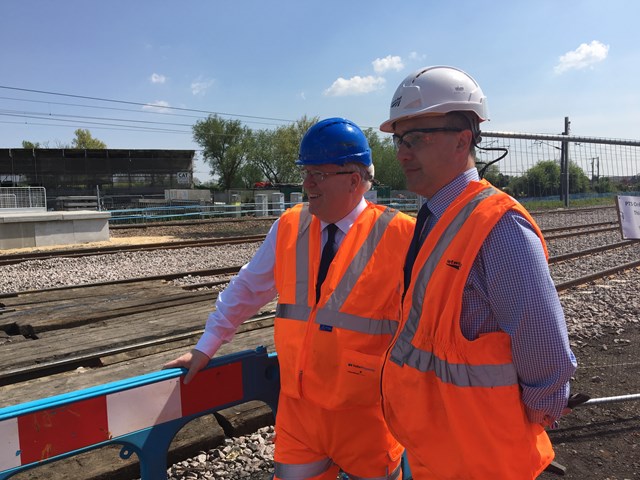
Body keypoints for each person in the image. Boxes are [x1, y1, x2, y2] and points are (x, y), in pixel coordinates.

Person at [165, 118, 415, 480]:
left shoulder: (402, 235)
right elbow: (248, 288)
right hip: (300, 411)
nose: (307, 183)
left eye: (318, 174)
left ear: (354, 180)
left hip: (367, 414)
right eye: (306, 172)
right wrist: (206, 346)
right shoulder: (290, 225)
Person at [378, 66, 578, 479]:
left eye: (415, 137)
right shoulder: (435, 215)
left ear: (462, 139)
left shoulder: (498, 226)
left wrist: (528, 419)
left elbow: (545, 351)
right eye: (399, 139)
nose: (402, 152)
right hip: (439, 448)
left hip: (483, 458)